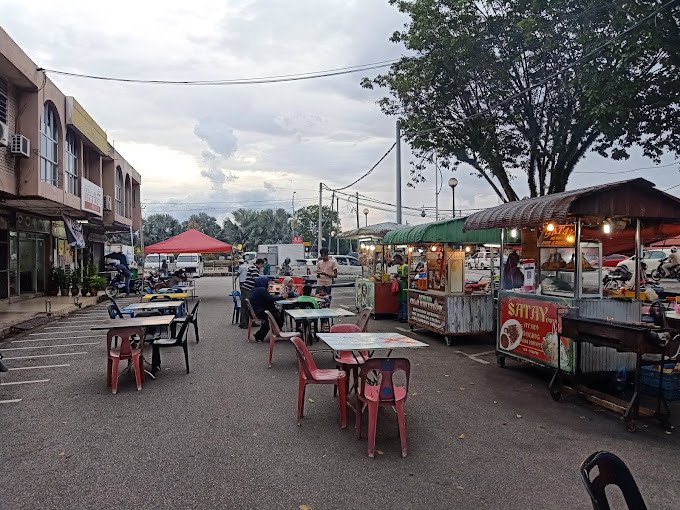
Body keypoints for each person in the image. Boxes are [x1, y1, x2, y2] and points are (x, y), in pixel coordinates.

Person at [249, 276, 283, 342]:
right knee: (273, 316)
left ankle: (277, 331)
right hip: (259, 312)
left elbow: (268, 297)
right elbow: (270, 299)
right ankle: (260, 335)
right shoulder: (262, 290)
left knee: (275, 314)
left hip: (255, 310)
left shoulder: (256, 289)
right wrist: (282, 297)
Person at [238, 258, 265, 328]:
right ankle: (243, 323)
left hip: (249, 289)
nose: (262, 267)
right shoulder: (254, 269)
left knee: (251, 306)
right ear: (260, 264)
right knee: (246, 306)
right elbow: (257, 280)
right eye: (262, 265)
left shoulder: (253, 268)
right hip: (247, 289)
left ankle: (251, 321)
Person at [394, 254, 409, 322]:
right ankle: (400, 316)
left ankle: (404, 317)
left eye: (395, 259)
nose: (395, 261)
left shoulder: (405, 266)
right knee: (400, 301)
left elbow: (406, 275)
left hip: (404, 285)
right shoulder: (399, 267)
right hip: (399, 285)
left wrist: (399, 275)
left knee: (404, 302)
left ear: (399, 259)